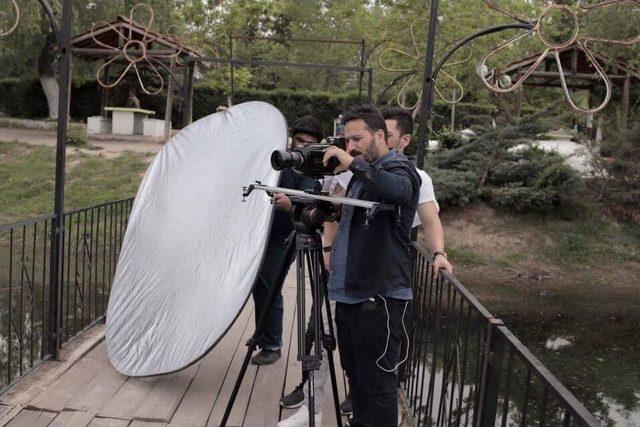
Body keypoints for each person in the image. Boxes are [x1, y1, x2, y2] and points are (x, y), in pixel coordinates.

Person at [323, 105, 421, 426]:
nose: (350, 146)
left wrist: (353, 163)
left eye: (357, 138)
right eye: (347, 139)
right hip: (351, 295)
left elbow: (398, 191)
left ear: (380, 136)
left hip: (379, 301)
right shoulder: (361, 175)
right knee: (358, 381)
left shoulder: (401, 169)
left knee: (378, 388)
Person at [250, 115, 324, 365]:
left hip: (286, 236)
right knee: (260, 286)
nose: (300, 147)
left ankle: (273, 344)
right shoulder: (280, 154)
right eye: (298, 140)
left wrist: (289, 204)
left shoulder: (312, 167)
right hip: (261, 232)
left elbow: (314, 208)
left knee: (271, 286)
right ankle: (264, 335)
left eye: (307, 143)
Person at [381, 106, 453, 275]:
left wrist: (439, 253)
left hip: (391, 271)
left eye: (387, 135)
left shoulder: (419, 178)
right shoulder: (358, 169)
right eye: (377, 133)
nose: (379, 140)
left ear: (404, 140)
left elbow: (431, 222)